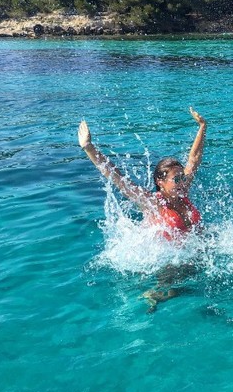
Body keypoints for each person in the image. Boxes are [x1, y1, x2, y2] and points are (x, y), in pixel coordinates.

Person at [78, 107, 207, 311]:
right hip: (168, 261)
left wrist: (202, 126)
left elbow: (194, 159)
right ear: (160, 182)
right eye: (177, 179)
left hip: (191, 251)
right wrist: (88, 147)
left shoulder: (182, 192)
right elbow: (118, 179)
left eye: (183, 178)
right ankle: (154, 294)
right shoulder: (152, 203)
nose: (183, 182)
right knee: (177, 288)